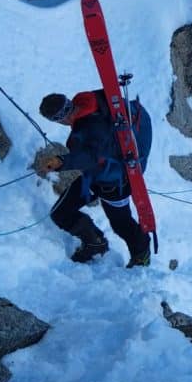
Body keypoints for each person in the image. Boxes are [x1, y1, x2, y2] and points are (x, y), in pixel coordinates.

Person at [37, 90, 152, 268]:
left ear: (59, 120)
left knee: (121, 224)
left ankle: (141, 253)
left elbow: (92, 155)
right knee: (61, 212)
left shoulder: (89, 127)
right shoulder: (93, 102)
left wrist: (61, 162)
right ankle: (95, 244)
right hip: (96, 177)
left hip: (114, 182)